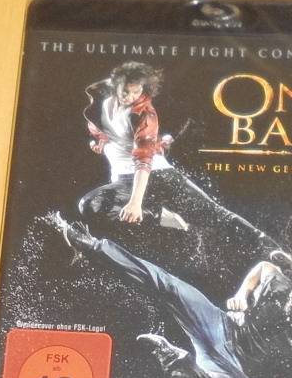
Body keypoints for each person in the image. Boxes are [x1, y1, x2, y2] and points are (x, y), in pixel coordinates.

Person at [51, 212, 292, 378]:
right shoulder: (282, 283)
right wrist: (241, 295)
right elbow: (263, 268)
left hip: (228, 363)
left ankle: (179, 360)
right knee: (169, 285)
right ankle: (91, 245)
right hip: (219, 324)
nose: (291, 299)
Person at [80, 61, 274, 251]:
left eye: (136, 92)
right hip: (123, 179)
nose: (130, 97)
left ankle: (272, 250)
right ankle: (162, 217)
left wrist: (135, 203)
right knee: (92, 206)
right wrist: (102, 142)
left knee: (216, 215)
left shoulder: (144, 113)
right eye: (125, 92)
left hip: (157, 175)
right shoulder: (100, 100)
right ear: (114, 85)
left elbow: (143, 160)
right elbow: (104, 127)